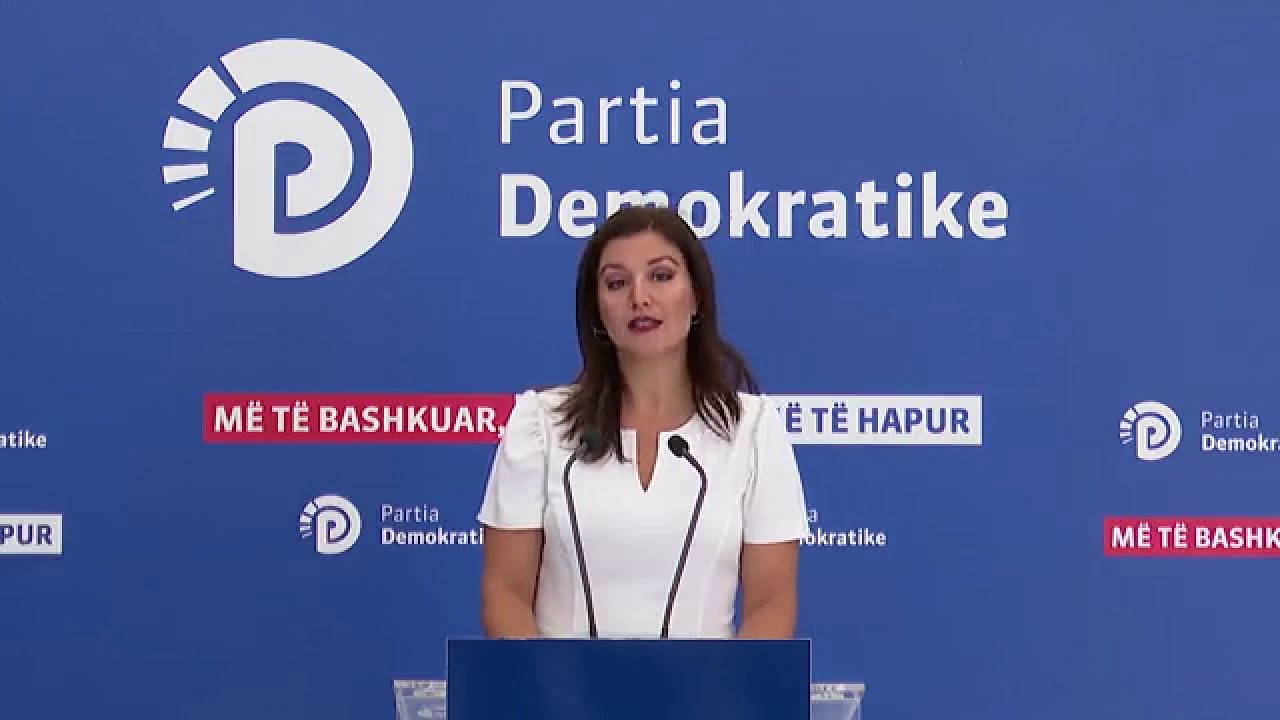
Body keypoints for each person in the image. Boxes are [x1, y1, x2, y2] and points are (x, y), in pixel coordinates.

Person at [475, 204, 810, 640]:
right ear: (597, 310)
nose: (639, 298)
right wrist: (547, 683)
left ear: (697, 296)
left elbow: (771, 605)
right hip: (557, 684)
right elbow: (504, 594)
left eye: (661, 276)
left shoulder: (752, 429)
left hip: (708, 685)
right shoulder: (540, 426)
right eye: (617, 283)